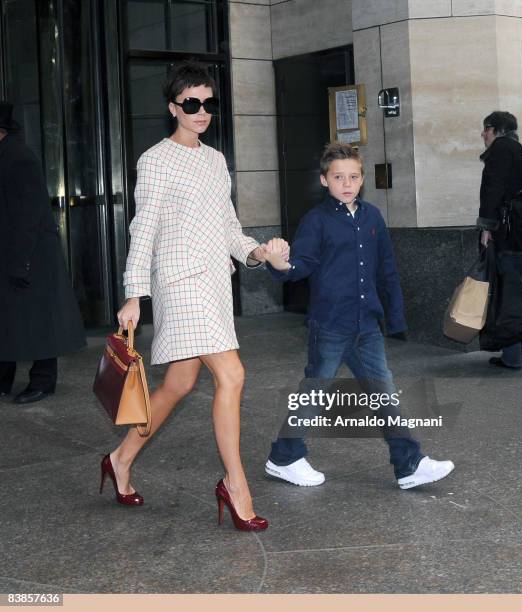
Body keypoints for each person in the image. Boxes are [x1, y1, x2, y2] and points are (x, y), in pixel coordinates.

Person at [103, 61, 283, 531]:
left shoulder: (215, 159)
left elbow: (228, 227)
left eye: (209, 103)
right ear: (173, 107)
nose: (202, 111)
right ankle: (235, 484)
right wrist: (134, 294)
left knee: (179, 385)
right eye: (192, 103)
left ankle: (121, 459)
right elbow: (143, 228)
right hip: (180, 285)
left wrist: (257, 252)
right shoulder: (156, 159)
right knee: (232, 373)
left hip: (214, 284)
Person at [260, 143, 455, 489]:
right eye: (338, 177)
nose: (346, 183)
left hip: (366, 324)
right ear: (324, 180)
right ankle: (285, 457)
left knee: (384, 391)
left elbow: (387, 269)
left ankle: (408, 464)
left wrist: (394, 317)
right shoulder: (316, 221)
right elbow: (300, 266)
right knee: (316, 392)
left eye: (353, 176)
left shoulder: (372, 217)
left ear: (362, 179)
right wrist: (278, 263)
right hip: (331, 324)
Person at [0, 101, 86, 404]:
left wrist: (20, 261)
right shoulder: (7, 153)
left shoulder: (18, 157)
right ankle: (4, 378)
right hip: (16, 252)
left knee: (39, 321)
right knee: (10, 319)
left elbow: (29, 215)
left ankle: (43, 381)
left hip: (31, 254)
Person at [478, 111, 522, 369]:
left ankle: (512, 357)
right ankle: (519, 347)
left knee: (507, 294)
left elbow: (492, 191)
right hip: (521, 232)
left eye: (485, 129)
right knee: (517, 288)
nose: (483, 135)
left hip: (506, 234)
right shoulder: (519, 150)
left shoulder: (499, 150)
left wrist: (487, 227)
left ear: (495, 129)